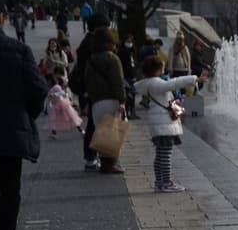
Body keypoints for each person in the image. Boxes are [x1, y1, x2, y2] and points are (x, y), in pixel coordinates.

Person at [0, 0, 47, 230]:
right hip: (9, 127)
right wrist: (25, 115)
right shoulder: (18, 50)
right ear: (1, 17)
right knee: (9, 189)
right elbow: (37, 90)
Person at [136, 55, 204, 192]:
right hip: (163, 124)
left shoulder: (150, 83)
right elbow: (173, 83)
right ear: (156, 69)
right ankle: (166, 183)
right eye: (162, 66)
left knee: (160, 155)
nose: (164, 69)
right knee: (165, 155)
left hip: (159, 123)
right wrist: (193, 79)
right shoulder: (155, 83)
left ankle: (159, 183)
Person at [82, 25, 127, 174]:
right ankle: (110, 165)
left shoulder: (90, 60)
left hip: (96, 102)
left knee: (102, 133)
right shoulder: (112, 58)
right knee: (113, 134)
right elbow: (118, 82)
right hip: (111, 99)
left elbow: (87, 81)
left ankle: (104, 164)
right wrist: (122, 100)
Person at [70, 13, 109, 170]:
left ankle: (92, 156)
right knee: (94, 125)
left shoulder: (89, 42)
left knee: (94, 124)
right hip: (93, 90)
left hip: (92, 90)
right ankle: (91, 157)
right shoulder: (90, 45)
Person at [43, 72, 82, 140]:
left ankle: (81, 130)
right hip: (54, 106)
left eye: (47, 81)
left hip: (61, 104)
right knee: (53, 118)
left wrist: (54, 95)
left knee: (71, 117)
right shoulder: (50, 88)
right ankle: (53, 133)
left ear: (50, 81)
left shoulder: (56, 86)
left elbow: (62, 92)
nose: (46, 83)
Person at [119, 33, 137, 118]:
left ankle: (131, 111)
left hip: (131, 76)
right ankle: (128, 112)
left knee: (132, 94)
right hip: (126, 76)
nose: (129, 43)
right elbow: (126, 65)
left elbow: (132, 65)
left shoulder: (131, 52)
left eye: (131, 41)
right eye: (128, 41)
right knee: (128, 94)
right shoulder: (123, 52)